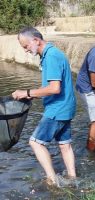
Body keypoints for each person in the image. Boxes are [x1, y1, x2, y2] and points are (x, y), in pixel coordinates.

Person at [12, 27, 76, 186]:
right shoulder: (53, 53)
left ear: (35, 40)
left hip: (57, 108)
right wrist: (32, 94)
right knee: (65, 145)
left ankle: (52, 179)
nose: (26, 50)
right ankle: (73, 178)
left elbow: (55, 88)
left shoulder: (51, 57)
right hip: (67, 106)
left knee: (35, 142)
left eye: (26, 46)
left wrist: (27, 92)